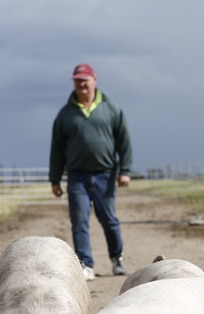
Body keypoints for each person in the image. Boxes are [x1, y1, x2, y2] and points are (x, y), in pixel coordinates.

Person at [49, 62, 133, 279]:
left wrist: (125, 170)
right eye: (77, 81)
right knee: (79, 220)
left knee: (109, 219)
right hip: (77, 176)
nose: (82, 84)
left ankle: (117, 258)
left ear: (94, 80)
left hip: (105, 174)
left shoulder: (111, 108)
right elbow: (57, 149)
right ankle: (85, 264)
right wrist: (55, 179)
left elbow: (124, 141)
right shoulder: (66, 114)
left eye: (85, 80)